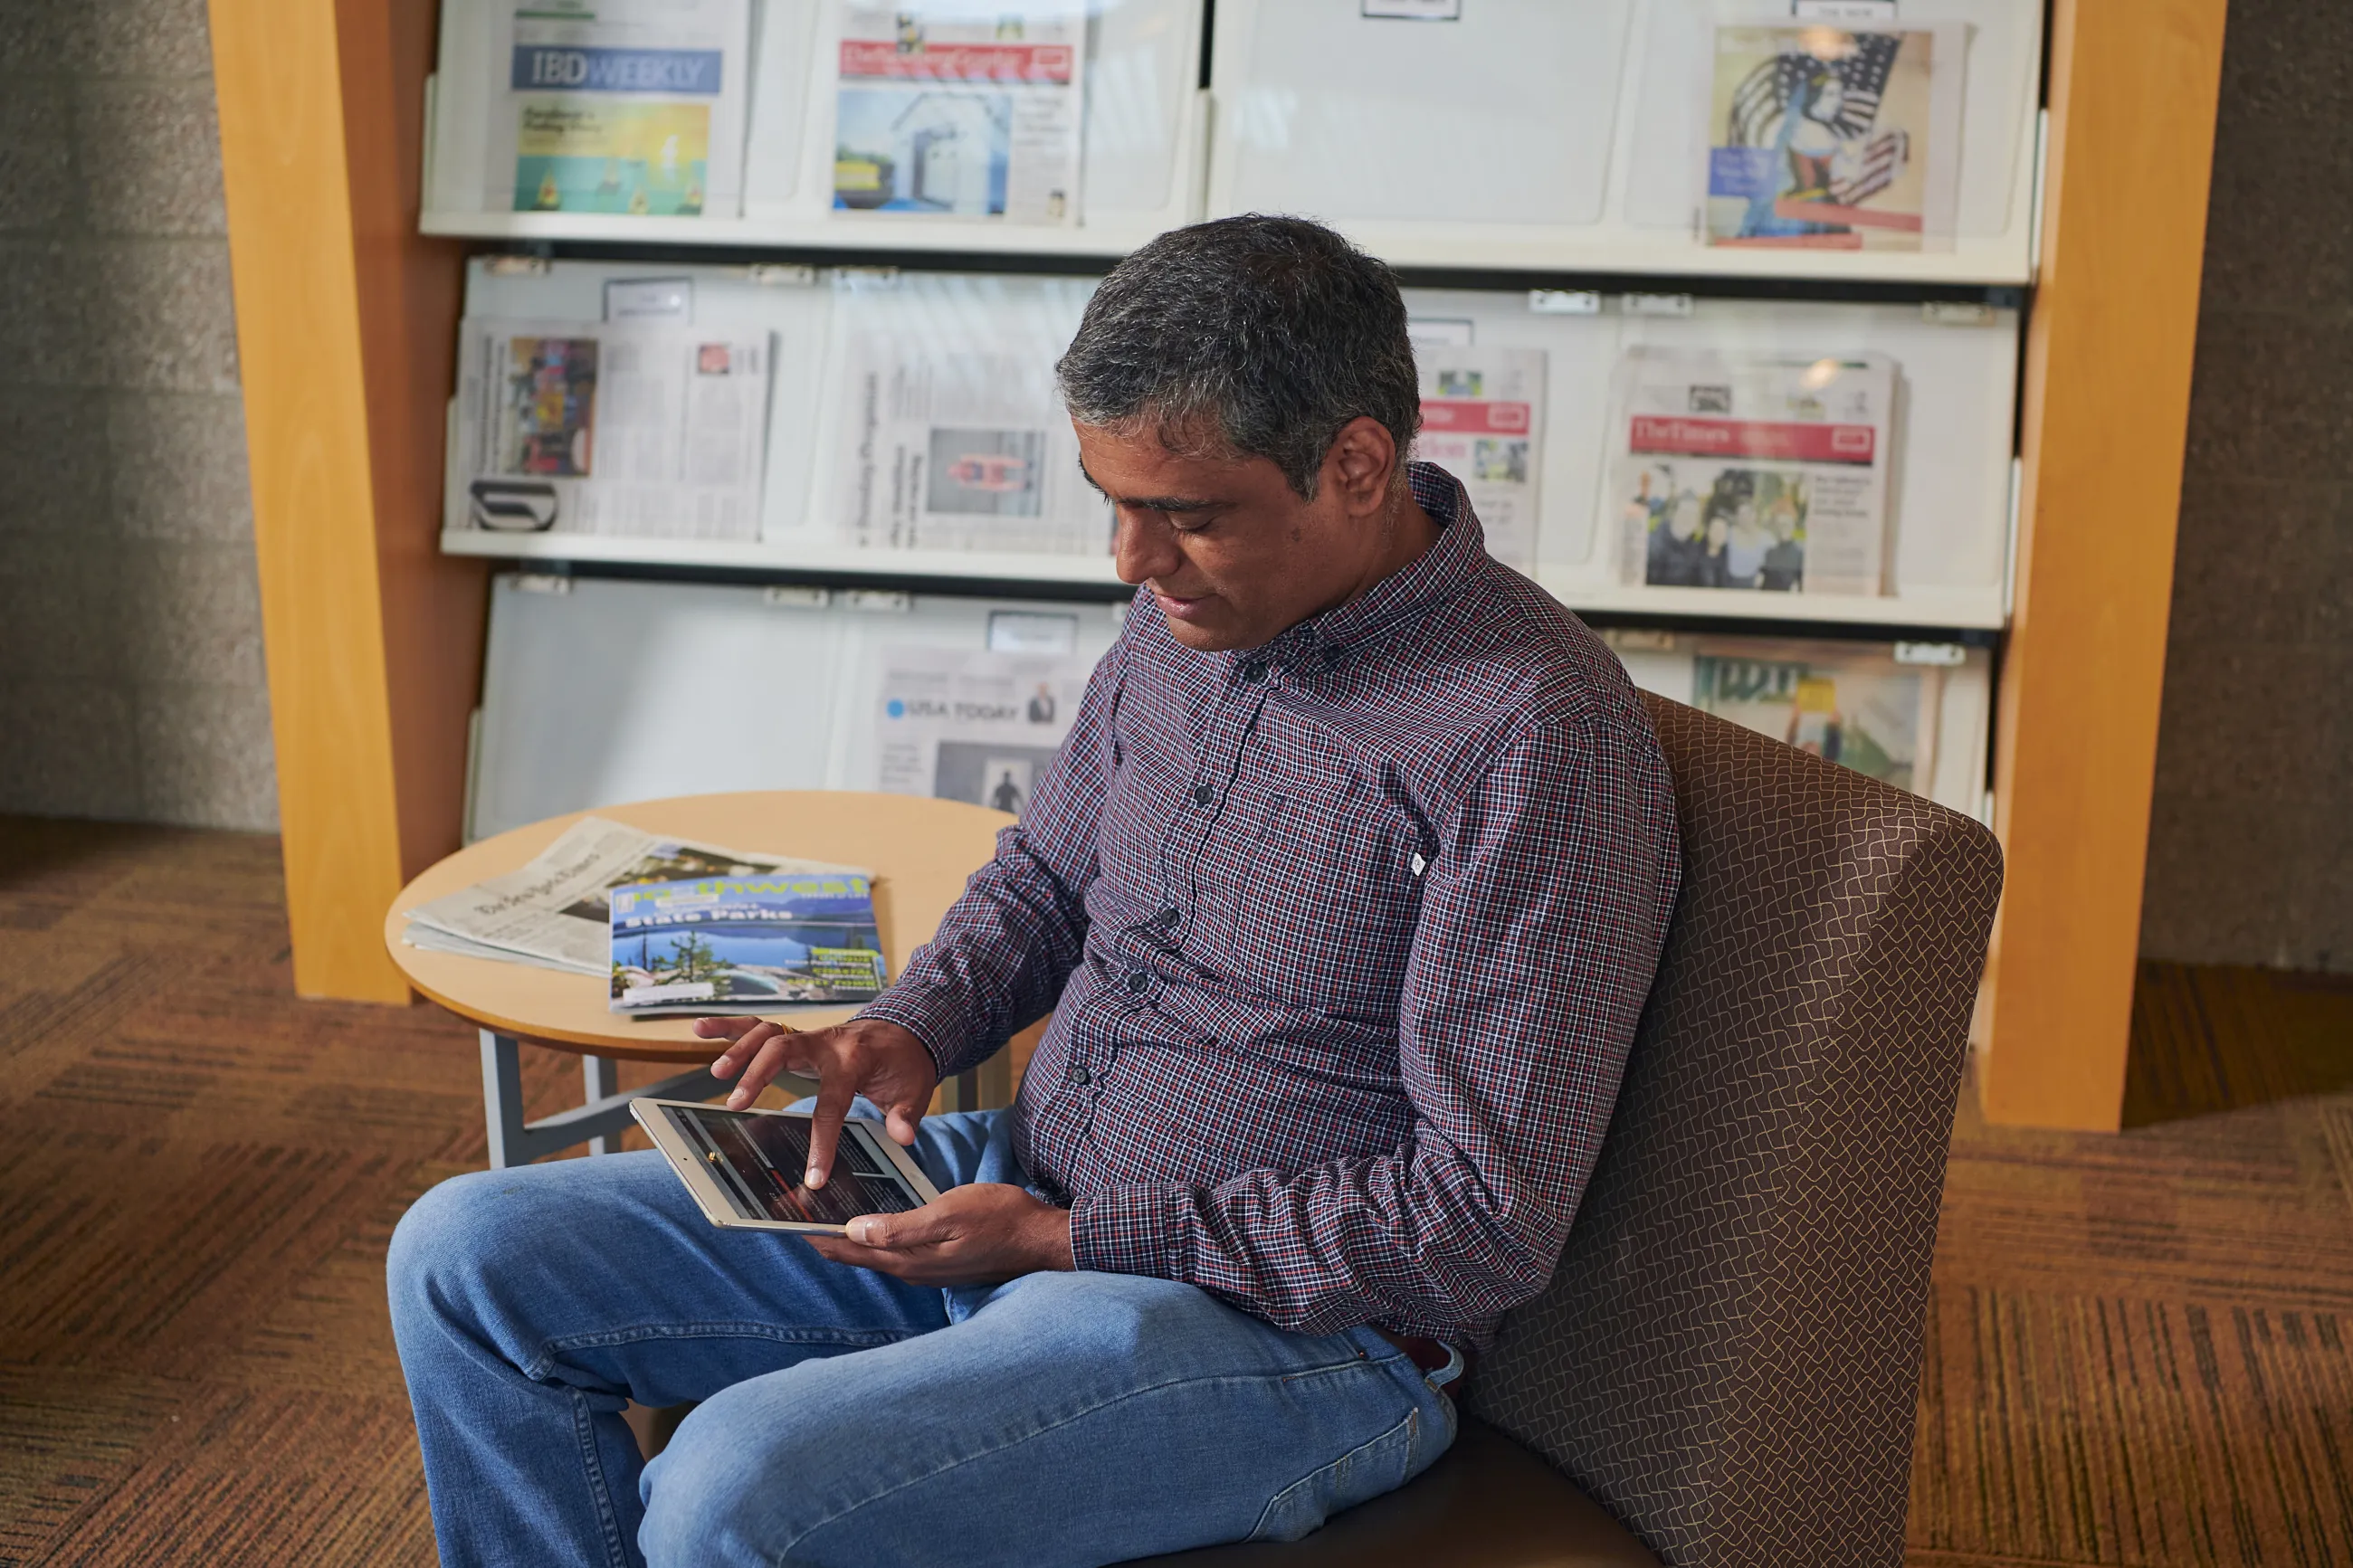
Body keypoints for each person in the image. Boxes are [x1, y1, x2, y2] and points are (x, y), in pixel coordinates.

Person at [387, 214, 1681, 1568]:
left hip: (1287, 1337)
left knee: (731, 1487)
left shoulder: (1538, 740)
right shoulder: (1189, 614)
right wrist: (912, 1026)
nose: (1132, 560)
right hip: (1011, 1190)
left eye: (1188, 517)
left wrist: (1070, 1239)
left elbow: (1482, 1222)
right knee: (465, 1257)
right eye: (1112, 501)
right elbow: (1051, 877)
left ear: (1356, 465)